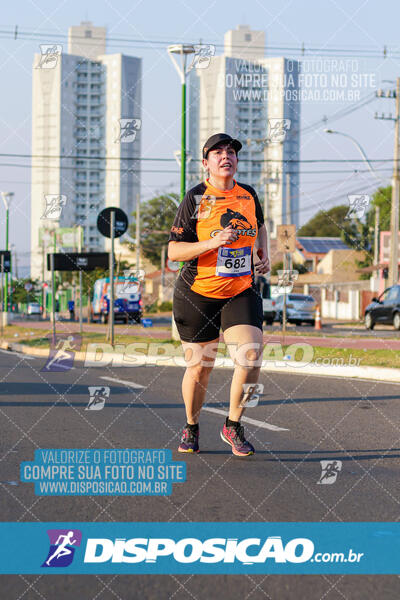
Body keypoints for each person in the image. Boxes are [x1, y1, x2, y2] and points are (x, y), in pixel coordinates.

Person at [168, 133, 270, 457]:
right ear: (206, 163)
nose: (226, 156)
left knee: (251, 355)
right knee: (200, 367)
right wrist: (213, 243)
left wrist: (262, 251)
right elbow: (174, 250)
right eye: (218, 152)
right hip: (198, 292)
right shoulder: (195, 198)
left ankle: (233, 424)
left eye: (231, 152)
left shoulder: (249, 195)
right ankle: (191, 426)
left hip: (239, 289)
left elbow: (261, 226)